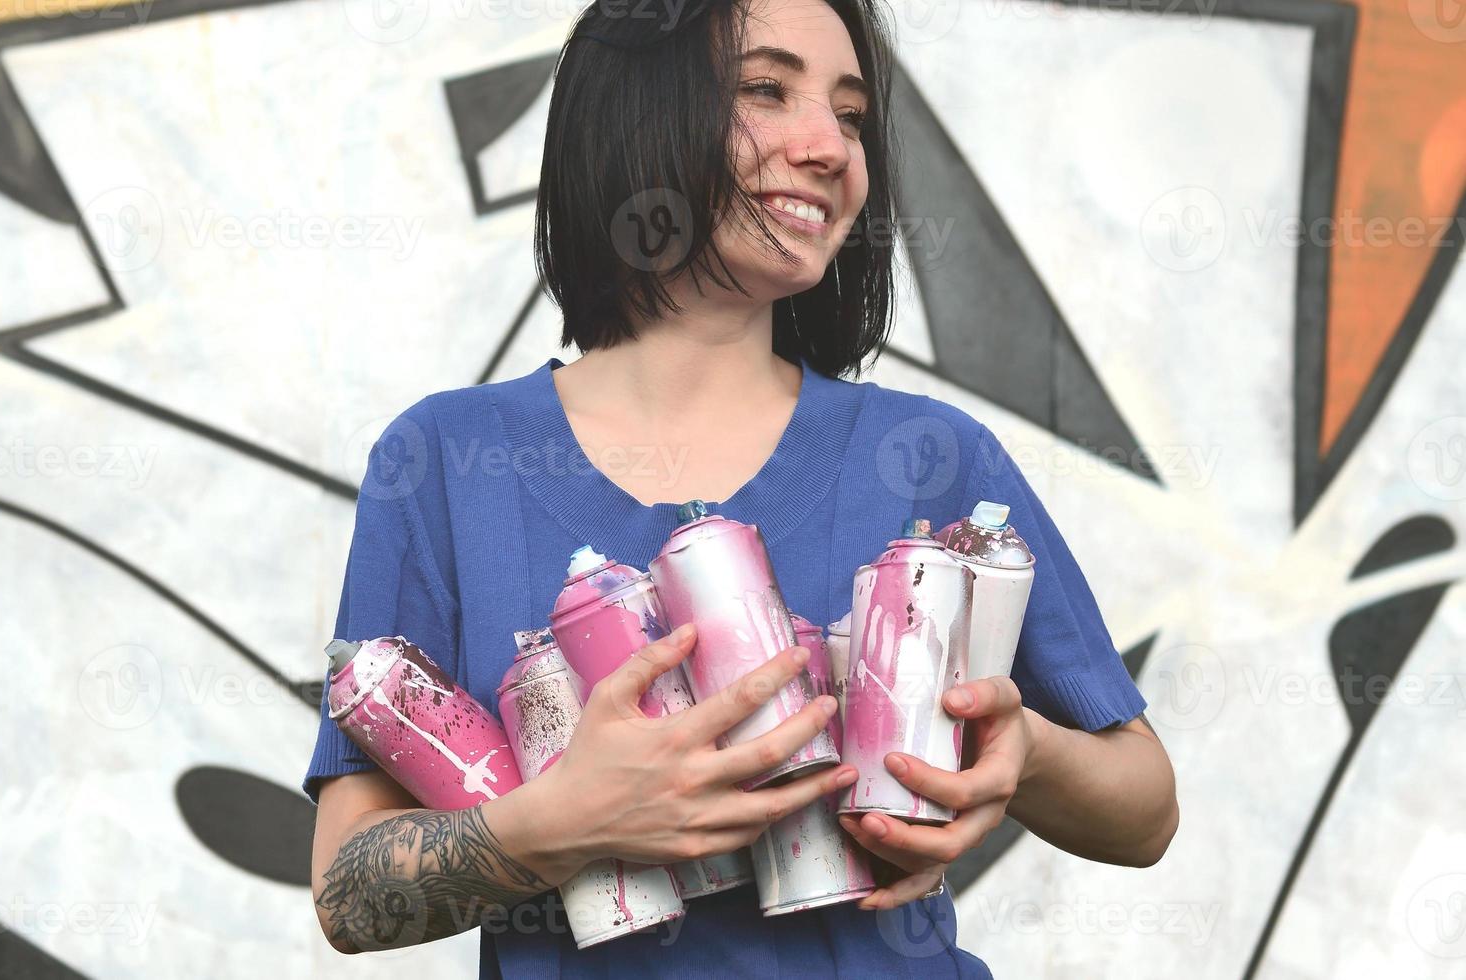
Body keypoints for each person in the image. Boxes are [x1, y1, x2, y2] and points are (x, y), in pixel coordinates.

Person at [304, 0, 1179, 976]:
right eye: (767, 90)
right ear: (631, 115)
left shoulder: (929, 455)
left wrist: (1026, 751)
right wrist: (555, 822)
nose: (830, 148)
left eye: (850, 116)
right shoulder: (444, 459)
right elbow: (347, 891)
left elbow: (1144, 807)